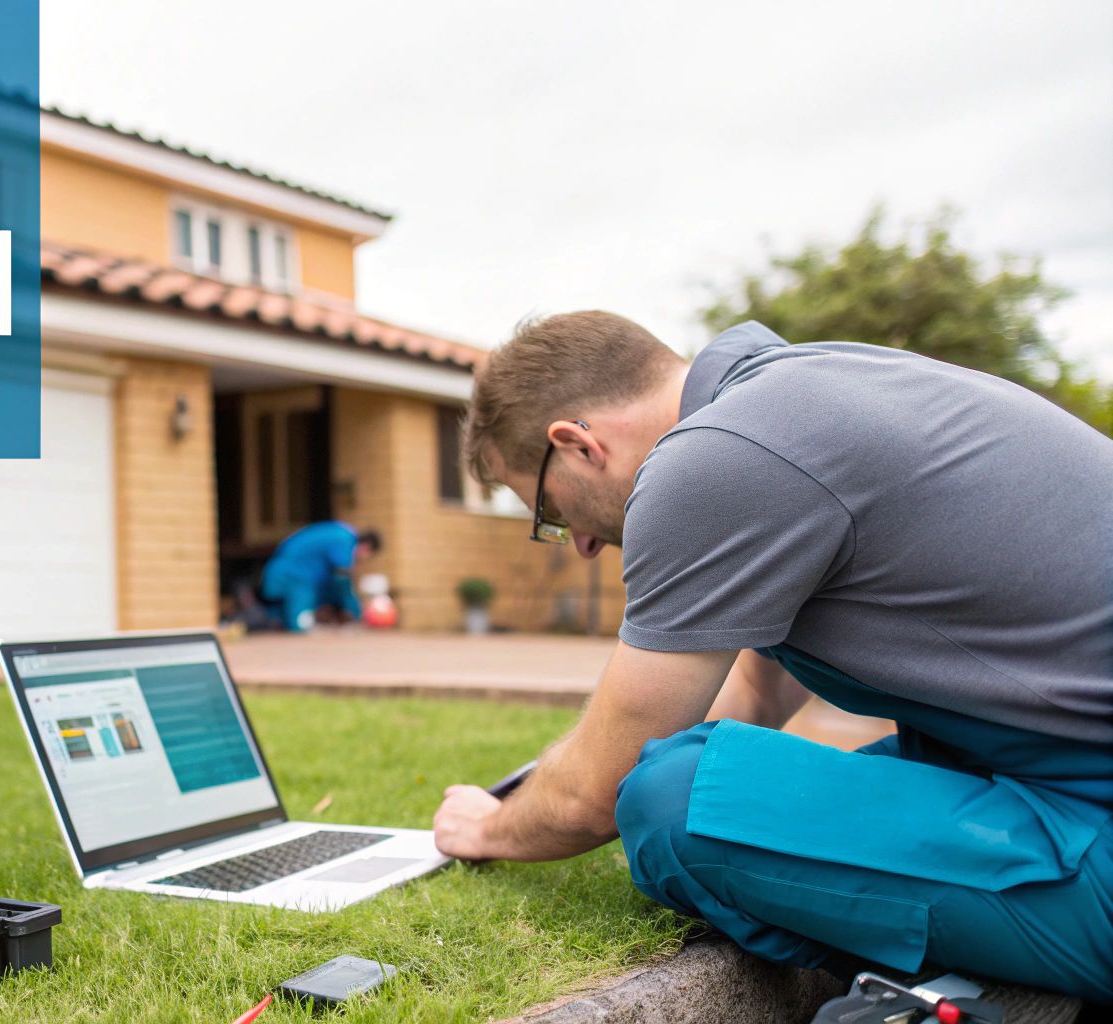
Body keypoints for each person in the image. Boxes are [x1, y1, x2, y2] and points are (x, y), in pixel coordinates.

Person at [433, 312, 1113, 1002]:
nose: (578, 543)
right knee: (757, 788)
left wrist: (490, 827)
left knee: (673, 803)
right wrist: (596, 757)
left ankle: (944, 984)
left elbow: (597, 795)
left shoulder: (717, 457)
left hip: (1092, 802)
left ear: (577, 444)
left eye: (548, 512)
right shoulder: (806, 389)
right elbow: (754, 689)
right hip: (1058, 765)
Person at [259, 522, 381, 632]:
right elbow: (342, 578)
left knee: (280, 622)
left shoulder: (341, 532)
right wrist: (356, 613)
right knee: (300, 625)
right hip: (294, 575)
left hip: (282, 570)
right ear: (366, 546)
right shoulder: (344, 540)